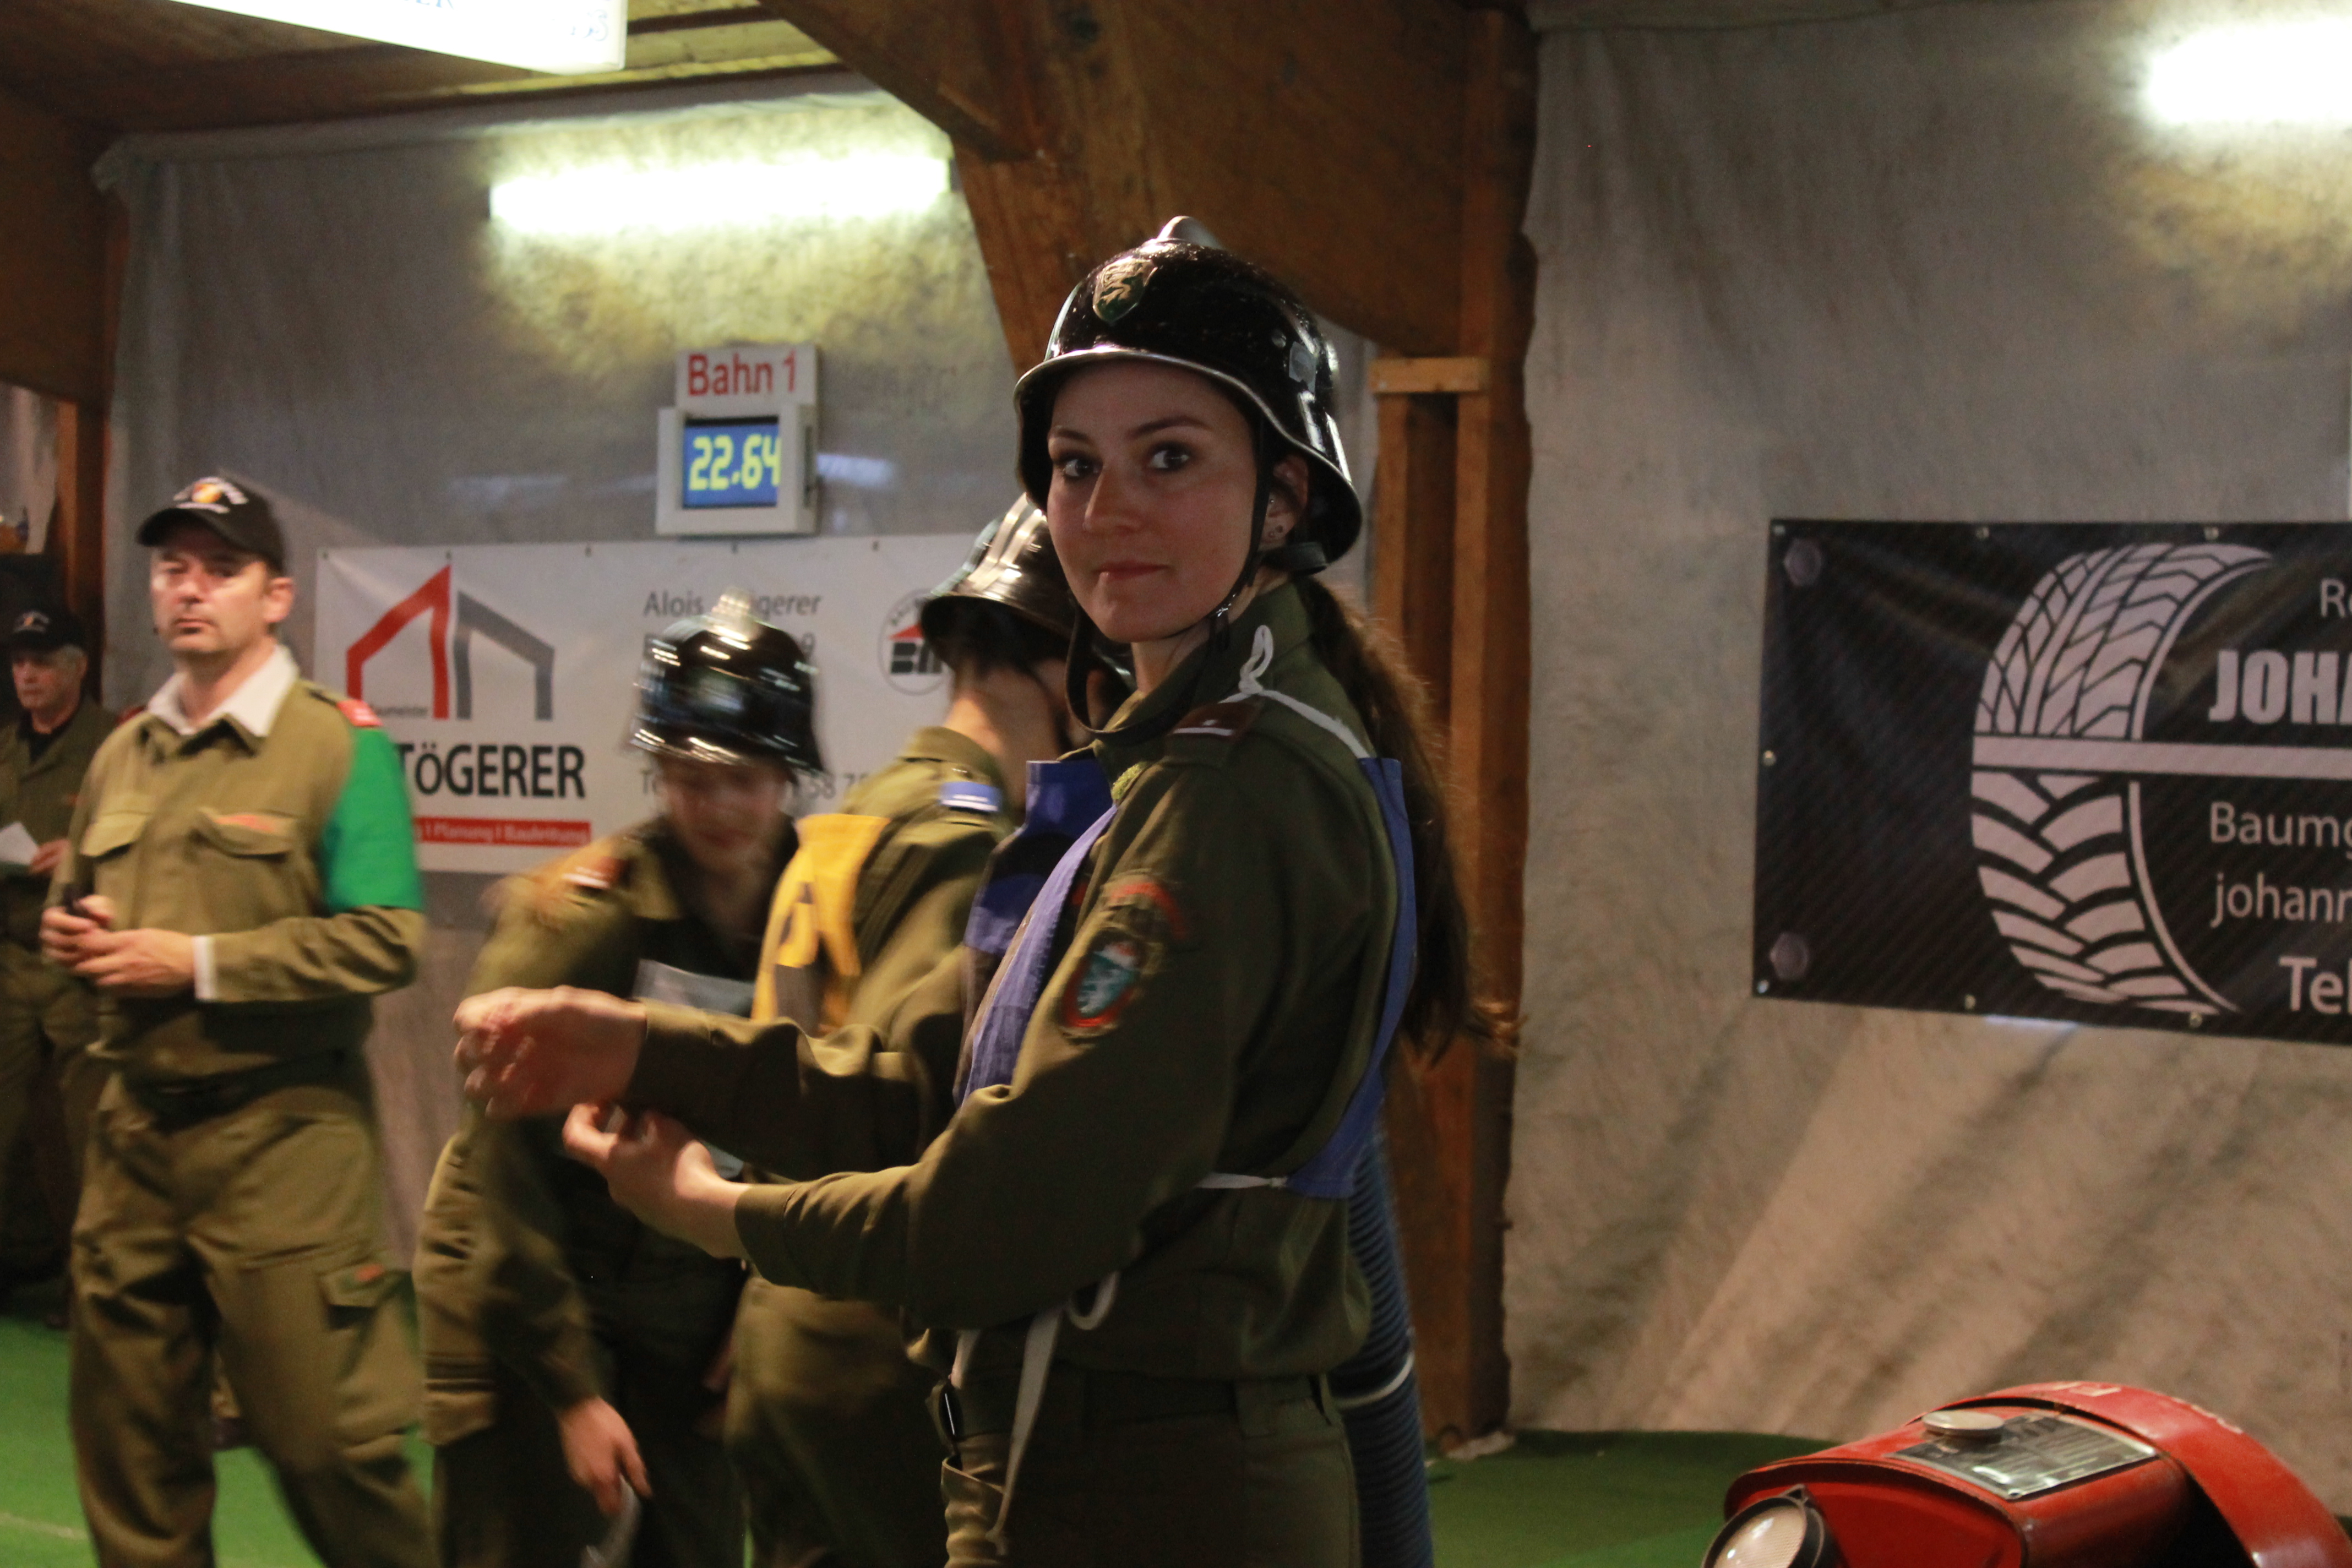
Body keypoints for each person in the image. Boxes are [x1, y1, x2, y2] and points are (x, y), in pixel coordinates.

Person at [456, 231, 1495, 1567]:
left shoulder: (1226, 794)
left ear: (1284, 495)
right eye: (1077, 463)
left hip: (1150, 1492)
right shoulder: (1165, 769)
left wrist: (713, 1211)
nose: (1109, 508)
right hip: (1089, 1457)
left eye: (1170, 457)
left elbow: (1002, 1211)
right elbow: (942, 1088)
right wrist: (641, 1049)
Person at [41, 475, 433, 1568]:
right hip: (134, 1137)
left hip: (282, 1138)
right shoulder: (126, 750)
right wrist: (78, 936)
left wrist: (198, 962)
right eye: (173, 567)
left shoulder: (337, 746)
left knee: (327, 1442)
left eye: (221, 569)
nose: (191, 588)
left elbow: (388, 940)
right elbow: (77, 904)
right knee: (133, 1452)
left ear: (276, 596)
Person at [415, 592, 815, 1568]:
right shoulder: (581, 921)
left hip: (701, 1296)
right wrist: (569, 1391)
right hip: (545, 1283)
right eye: (688, 776)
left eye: (744, 778)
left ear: (787, 777)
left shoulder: (822, 912)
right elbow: (503, 1169)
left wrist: (769, 1305)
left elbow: (830, 1124)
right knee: (527, 1537)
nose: (717, 806)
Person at [726, 499, 1086, 1568]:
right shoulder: (967, 841)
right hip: (866, 1337)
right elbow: (904, 1097)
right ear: (1064, 672)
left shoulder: (869, 805)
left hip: (783, 1312)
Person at [0, 606, 111, 1314]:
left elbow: (156, 837)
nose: (27, 674)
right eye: (19, 662)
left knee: (90, 1129)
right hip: (11, 958)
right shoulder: (4, 749)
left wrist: (83, 851)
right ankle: (19, 1262)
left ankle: (94, 1285)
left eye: (42, 661)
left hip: (79, 960)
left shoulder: (116, 746)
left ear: (78, 666)